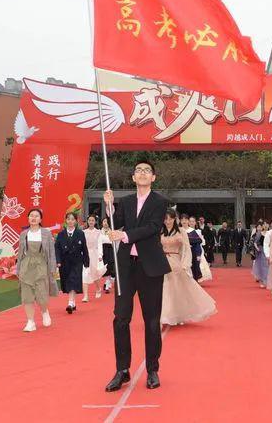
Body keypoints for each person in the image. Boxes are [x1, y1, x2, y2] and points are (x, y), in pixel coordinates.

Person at [103, 160, 169, 392]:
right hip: (125, 267)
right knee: (120, 318)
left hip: (150, 267)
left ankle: (152, 369)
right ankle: (122, 370)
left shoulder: (159, 202)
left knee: (151, 320)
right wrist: (109, 208)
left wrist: (124, 236)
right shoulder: (126, 202)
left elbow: (153, 227)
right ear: (133, 177)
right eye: (138, 171)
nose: (142, 173)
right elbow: (115, 224)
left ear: (153, 177)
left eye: (147, 171)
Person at [160, 209, 217, 326]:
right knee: (163, 290)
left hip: (176, 263)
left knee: (177, 291)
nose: (168, 221)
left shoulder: (181, 231)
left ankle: (178, 314)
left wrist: (185, 265)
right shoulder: (160, 231)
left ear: (175, 219)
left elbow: (186, 249)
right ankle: (164, 315)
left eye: (170, 219)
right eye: (165, 219)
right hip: (162, 263)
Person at [16, 208, 58, 332]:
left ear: (40, 219)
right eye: (31, 216)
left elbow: (51, 252)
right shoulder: (24, 234)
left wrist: (52, 268)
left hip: (41, 265)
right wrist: (18, 269)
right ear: (28, 218)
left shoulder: (46, 233)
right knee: (27, 295)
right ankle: (30, 322)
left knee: (41, 294)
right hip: (26, 265)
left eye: (36, 216)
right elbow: (20, 253)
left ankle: (44, 311)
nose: (33, 218)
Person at [55, 212, 89, 314]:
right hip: (65, 262)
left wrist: (86, 261)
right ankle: (73, 302)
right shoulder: (61, 234)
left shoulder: (80, 233)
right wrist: (58, 261)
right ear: (66, 220)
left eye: (72, 219)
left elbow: (84, 248)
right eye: (68, 219)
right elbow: (57, 249)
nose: (70, 221)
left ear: (76, 221)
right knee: (68, 282)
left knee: (73, 280)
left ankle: (70, 303)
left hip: (77, 261)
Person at [83, 214, 107, 302]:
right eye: (89, 220)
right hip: (85, 255)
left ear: (95, 222)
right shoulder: (83, 232)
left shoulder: (98, 232)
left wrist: (100, 255)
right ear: (87, 221)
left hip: (95, 255)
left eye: (92, 220)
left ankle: (98, 288)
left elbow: (100, 244)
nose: (91, 222)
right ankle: (85, 296)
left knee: (94, 274)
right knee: (85, 274)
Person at [190, 216, 212, 282]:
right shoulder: (185, 230)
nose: (191, 223)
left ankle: (199, 277)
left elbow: (202, 241)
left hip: (198, 249)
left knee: (200, 263)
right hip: (189, 250)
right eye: (190, 221)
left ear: (195, 222)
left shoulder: (199, 231)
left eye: (193, 221)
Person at [182, 215, 203, 281]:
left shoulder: (192, 231)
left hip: (192, 253)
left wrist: (198, 254)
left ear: (188, 221)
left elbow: (198, 243)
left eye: (185, 220)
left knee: (193, 268)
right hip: (181, 253)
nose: (184, 221)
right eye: (182, 220)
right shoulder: (178, 230)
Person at [101, 217, 116, 294]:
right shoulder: (99, 232)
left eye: (107, 221)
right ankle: (107, 284)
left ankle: (109, 282)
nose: (105, 223)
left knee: (112, 267)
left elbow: (114, 242)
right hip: (103, 250)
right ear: (102, 223)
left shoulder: (112, 231)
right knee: (106, 267)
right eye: (104, 221)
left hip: (111, 250)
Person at [251, 223, 268, 287]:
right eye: (264, 225)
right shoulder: (259, 234)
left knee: (267, 266)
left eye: (266, 225)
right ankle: (262, 281)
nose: (265, 226)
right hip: (261, 251)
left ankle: (267, 280)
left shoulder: (269, 233)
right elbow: (255, 242)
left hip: (267, 250)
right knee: (262, 266)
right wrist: (257, 248)